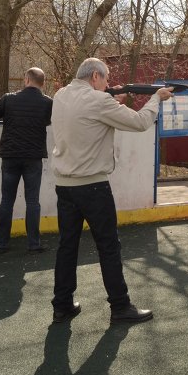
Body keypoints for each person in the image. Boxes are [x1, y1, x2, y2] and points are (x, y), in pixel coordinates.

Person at [50, 58, 173, 324]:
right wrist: (156, 99)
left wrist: (110, 93)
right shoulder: (99, 102)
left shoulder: (60, 96)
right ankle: (120, 306)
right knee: (108, 247)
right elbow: (141, 122)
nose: (107, 83)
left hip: (64, 186)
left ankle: (62, 305)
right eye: (105, 79)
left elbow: (87, 106)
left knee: (67, 247)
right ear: (96, 76)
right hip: (92, 186)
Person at [0, 67, 53, 254]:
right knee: (33, 201)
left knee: (6, 200)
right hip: (33, 157)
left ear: (26, 79)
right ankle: (34, 243)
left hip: (11, 156)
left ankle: (2, 243)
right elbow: (49, 120)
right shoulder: (48, 103)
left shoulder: (9, 99)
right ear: (42, 83)